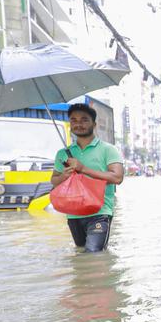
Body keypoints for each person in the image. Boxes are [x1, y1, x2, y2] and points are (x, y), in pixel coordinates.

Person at [50, 104, 124, 252]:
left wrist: (83, 169)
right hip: (73, 213)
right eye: (74, 120)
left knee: (93, 253)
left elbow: (117, 178)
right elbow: (54, 181)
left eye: (84, 120)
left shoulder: (108, 149)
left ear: (94, 124)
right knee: (81, 254)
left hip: (100, 211)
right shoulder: (63, 153)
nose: (78, 124)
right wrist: (64, 175)